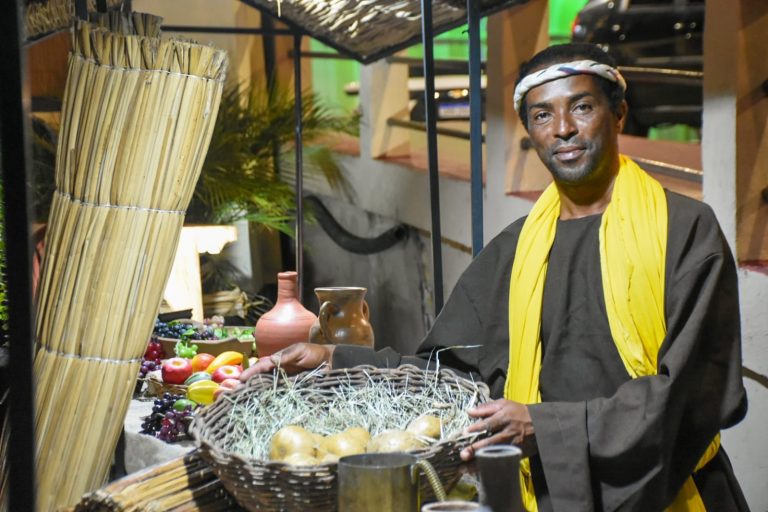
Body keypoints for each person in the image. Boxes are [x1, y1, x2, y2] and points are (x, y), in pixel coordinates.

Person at [240, 43, 749, 512]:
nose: (563, 129)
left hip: (674, 495)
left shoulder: (685, 231)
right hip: (545, 497)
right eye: (542, 115)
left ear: (618, 114)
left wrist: (544, 426)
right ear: (530, 132)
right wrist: (336, 360)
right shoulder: (515, 250)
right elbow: (452, 376)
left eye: (581, 107)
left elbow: (692, 395)